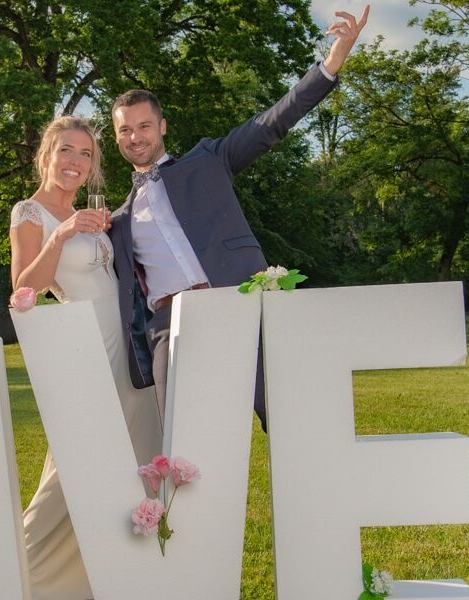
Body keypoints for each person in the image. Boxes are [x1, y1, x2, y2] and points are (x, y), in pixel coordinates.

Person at [108, 7, 370, 431]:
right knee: (184, 441)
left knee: (292, 422)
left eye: (144, 126)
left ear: (163, 127)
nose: (135, 137)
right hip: (170, 330)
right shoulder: (117, 220)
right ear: (116, 135)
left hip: (238, 303)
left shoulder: (208, 160)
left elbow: (272, 122)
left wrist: (332, 62)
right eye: (125, 130)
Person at [10, 115, 163, 600]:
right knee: (73, 470)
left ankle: (125, 579)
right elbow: (24, 290)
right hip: (86, 350)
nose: (76, 162)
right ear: (47, 154)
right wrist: (61, 236)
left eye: (86, 154)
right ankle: (17, 575)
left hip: (128, 350)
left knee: (138, 463)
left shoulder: (93, 214)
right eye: (66, 151)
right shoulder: (30, 213)